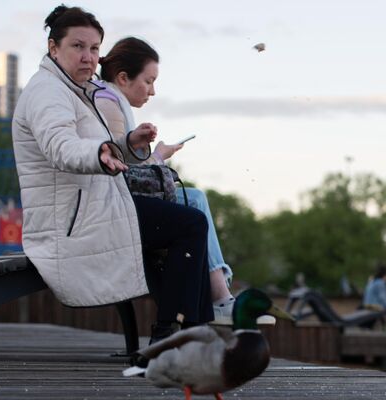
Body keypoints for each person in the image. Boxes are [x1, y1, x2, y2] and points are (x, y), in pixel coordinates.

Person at [12, 5, 213, 344]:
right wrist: (99, 152)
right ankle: (176, 336)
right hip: (72, 222)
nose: (88, 57)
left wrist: (125, 144)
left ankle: (190, 333)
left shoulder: (75, 89)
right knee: (190, 223)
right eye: (77, 46)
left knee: (187, 221)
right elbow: (61, 146)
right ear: (53, 48)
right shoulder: (48, 92)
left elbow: (94, 147)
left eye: (94, 48)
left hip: (92, 208)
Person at [95, 37, 235, 324]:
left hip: (110, 203)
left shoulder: (110, 100)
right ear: (123, 78)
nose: (153, 91)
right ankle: (218, 297)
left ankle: (218, 296)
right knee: (194, 202)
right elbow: (123, 173)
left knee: (194, 201)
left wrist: (153, 155)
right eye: (148, 81)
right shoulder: (110, 106)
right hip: (112, 210)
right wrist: (157, 158)